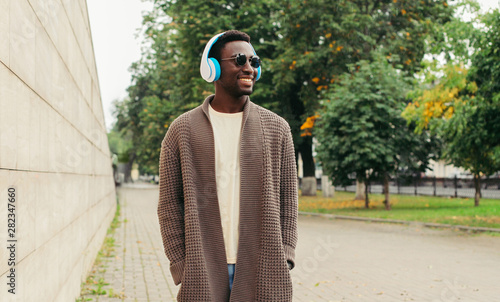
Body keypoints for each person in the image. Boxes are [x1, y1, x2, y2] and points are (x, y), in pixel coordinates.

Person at [157, 30, 298, 301]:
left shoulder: (276, 128)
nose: (249, 68)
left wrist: (286, 255)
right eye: (239, 59)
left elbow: (288, 201)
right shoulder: (182, 130)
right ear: (212, 68)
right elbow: (169, 206)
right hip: (203, 271)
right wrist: (182, 265)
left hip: (264, 270)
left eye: (254, 62)